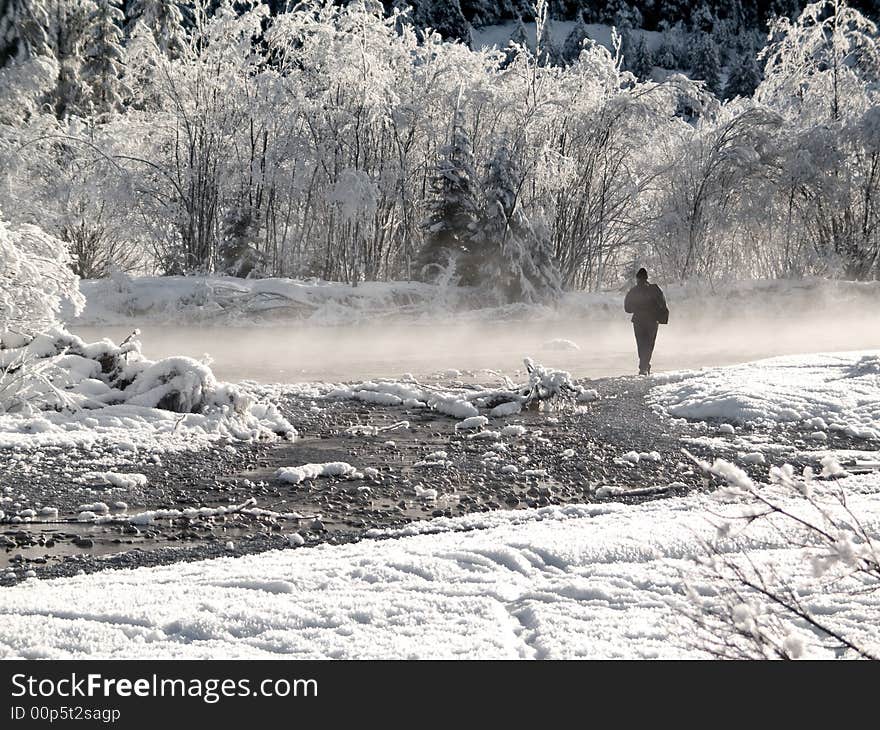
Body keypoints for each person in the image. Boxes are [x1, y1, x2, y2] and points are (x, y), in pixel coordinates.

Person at [624, 267, 668, 376]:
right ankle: (645, 366)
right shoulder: (655, 289)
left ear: (637, 279)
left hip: (638, 321)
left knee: (641, 344)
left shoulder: (633, 291)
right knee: (649, 344)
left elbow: (627, 308)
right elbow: (662, 304)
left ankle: (643, 366)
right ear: (647, 278)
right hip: (652, 321)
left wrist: (637, 308)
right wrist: (661, 317)